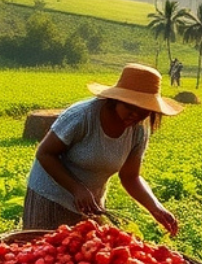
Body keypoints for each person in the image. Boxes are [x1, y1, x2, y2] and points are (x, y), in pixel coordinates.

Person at [24, 63, 182, 234]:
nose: (135, 115)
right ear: (116, 100)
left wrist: (156, 207)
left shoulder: (139, 129)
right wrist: (77, 189)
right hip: (51, 199)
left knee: (86, 255)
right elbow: (45, 153)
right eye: (130, 107)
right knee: (47, 255)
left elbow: (130, 176)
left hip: (90, 205)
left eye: (143, 111)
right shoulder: (82, 116)